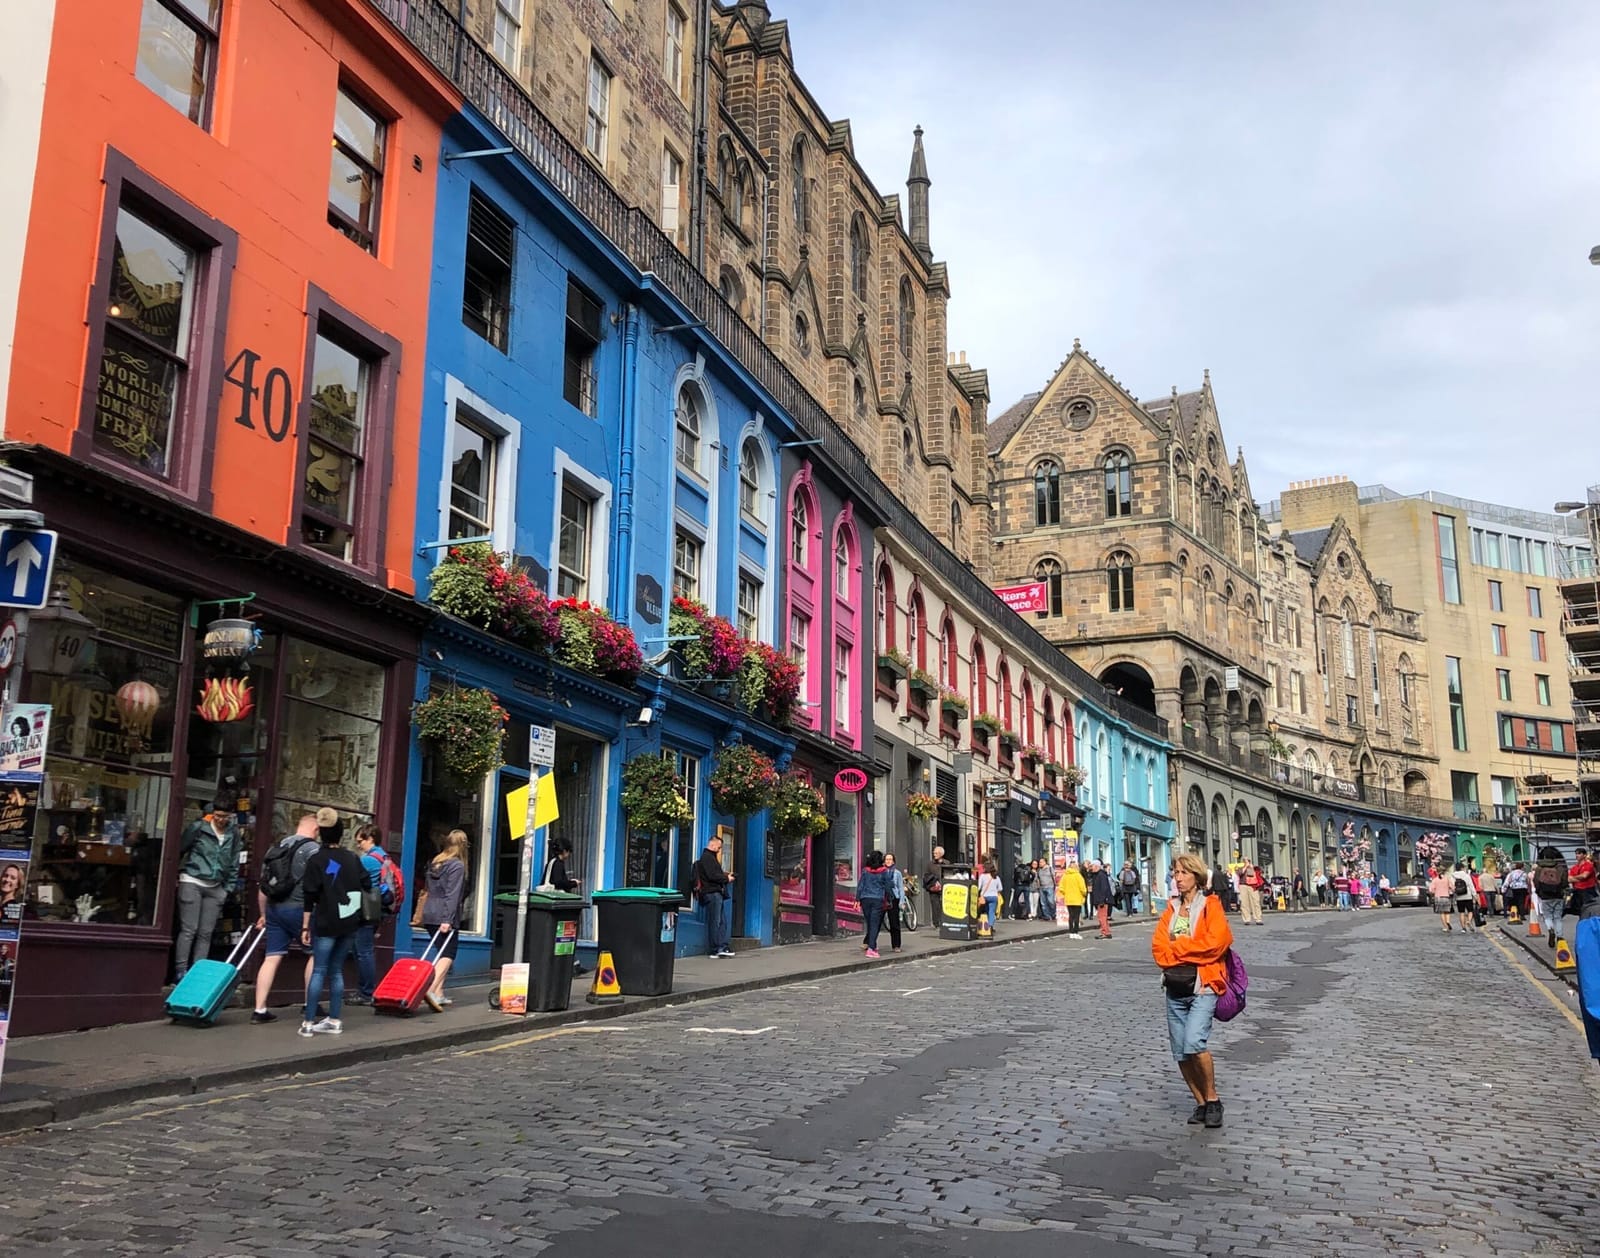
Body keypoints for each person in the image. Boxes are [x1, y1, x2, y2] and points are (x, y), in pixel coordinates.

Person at [1152, 851, 1234, 1130]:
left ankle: (1213, 1099)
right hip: (1175, 987)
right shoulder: (1171, 910)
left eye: (1184, 873)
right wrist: (1189, 949)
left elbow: (1216, 944)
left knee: (1194, 1042)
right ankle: (1200, 1103)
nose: (1178, 878)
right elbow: (1159, 950)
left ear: (1196, 876)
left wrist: (1179, 947)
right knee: (1180, 1051)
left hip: (1204, 985)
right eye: (1176, 872)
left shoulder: (1211, 906)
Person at [298, 809, 369, 1037]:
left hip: (326, 920)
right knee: (337, 971)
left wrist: (305, 926)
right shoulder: (352, 858)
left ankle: (308, 1023)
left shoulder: (316, 860)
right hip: (349, 921)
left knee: (319, 970)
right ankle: (335, 1020)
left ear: (321, 834)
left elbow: (309, 895)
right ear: (340, 834)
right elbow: (367, 884)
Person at [251, 812, 320, 1023]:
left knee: (272, 957)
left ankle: (259, 1010)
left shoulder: (276, 848)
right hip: (300, 909)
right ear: (316, 829)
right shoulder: (313, 850)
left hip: (274, 909)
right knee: (315, 954)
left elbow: (263, 886)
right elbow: (325, 879)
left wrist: (263, 914)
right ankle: (310, 1005)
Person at [173, 798, 242, 983]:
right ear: (212, 813)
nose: (220, 820)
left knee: (206, 933)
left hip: (216, 887)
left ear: (231, 816)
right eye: (217, 815)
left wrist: (227, 888)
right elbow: (179, 850)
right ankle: (181, 971)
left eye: (225, 817)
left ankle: (197, 972)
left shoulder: (233, 833)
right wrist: (176, 875)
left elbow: (234, 861)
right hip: (192, 880)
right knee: (189, 930)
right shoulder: (198, 828)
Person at [411, 828, 469, 1007]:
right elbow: (452, 895)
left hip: (429, 911)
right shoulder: (457, 866)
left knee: (442, 951)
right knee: (448, 953)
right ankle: (430, 988)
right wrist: (447, 919)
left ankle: (439, 993)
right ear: (463, 846)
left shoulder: (436, 863)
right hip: (444, 913)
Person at [350, 823, 400, 1006]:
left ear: (370, 839)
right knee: (364, 949)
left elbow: (351, 880)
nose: (358, 845)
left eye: (360, 841)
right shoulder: (384, 857)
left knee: (363, 951)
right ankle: (365, 990)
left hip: (365, 908)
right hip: (377, 908)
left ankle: (366, 992)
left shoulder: (368, 860)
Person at [694, 834, 735, 959]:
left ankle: (720, 947)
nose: (719, 849)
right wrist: (726, 878)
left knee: (721, 922)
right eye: (718, 846)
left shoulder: (710, 858)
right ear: (712, 844)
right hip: (712, 893)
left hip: (715, 893)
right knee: (716, 922)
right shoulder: (707, 858)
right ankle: (716, 948)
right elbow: (712, 875)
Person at [1532, 846, 1569, 949]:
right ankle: (1560, 936)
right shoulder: (1559, 867)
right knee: (1558, 917)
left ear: (1544, 856)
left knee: (1547, 916)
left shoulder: (1539, 868)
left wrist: (1539, 892)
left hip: (1545, 896)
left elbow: (1536, 881)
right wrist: (1562, 890)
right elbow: (1565, 881)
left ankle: (1550, 929)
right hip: (1558, 895)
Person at [857, 850, 892, 958]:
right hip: (877, 899)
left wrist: (857, 899)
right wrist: (890, 898)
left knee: (869, 923)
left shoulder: (865, 871)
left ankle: (873, 945)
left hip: (865, 899)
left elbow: (860, 886)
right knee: (875, 924)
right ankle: (871, 949)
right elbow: (888, 887)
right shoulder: (884, 871)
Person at [1057, 861, 1087, 938]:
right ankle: (1075, 932)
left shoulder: (1065, 876)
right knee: (1076, 916)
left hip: (1068, 899)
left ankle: (1071, 932)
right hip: (1077, 898)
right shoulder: (1078, 876)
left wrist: (1066, 893)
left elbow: (1061, 888)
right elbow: (1082, 888)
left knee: (1071, 916)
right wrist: (1084, 894)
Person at [883, 852, 906, 952]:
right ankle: (870, 944)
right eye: (886, 859)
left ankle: (896, 945)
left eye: (890, 859)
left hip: (893, 899)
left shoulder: (897, 873)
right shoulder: (881, 872)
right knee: (877, 922)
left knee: (894, 923)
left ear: (893, 861)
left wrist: (902, 901)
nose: (888, 861)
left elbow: (900, 888)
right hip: (883, 898)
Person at [1088, 860, 1116, 939]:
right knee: (1102, 916)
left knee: (1102, 917)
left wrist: (1102, 900)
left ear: (1096, 866)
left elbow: (1104, 889)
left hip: (1102, 900)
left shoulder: (1101, 875)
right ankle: (1106, 931)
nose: (1091, 868)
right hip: (1100, 899)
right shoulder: (1097, 875)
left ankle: (1105, 932)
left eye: (1092, 866)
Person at [1449, 861, 1476, 934]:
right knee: (1470, 911)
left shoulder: (1453, 876)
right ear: (1462, 868)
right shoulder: (1467, 876)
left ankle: (1463, 928)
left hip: (1459, 897)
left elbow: (1452, 887)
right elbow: (1471, 886)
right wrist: (1475, 895)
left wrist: (1453, 894)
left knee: (1461, 912)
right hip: (1468, 896)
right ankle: (1469, 921)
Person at [977, 858, 1001, 932]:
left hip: (984, 897)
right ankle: (990, 926)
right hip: (994, 897)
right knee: (992, 912)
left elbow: (979, 887)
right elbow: (1000, 888)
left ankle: (983, 926)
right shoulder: (996, 877)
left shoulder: (982, 876)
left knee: (983, 911)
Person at [1428, 867, 1455, 933]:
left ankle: (1445, 926)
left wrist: (1435, 892)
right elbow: (1452, 887)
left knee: (1442, 913)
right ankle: (1448, 922)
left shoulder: (1435, 880)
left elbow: (1431, 890)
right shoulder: (1447, 879)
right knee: (1447, 912)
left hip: (1438, 897)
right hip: (1446, 897)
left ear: (1437, 872)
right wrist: (1450, 890)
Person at [1571, 848, 1597, 915]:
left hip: (1588, 891)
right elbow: (1569, 879)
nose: (1577, 855)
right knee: (1579, 912)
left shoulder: (1589, 865)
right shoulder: (1574, 867)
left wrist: (1575, 877)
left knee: (1590, 910)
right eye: (1576, 854)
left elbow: (1584, 876)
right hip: (1577, 891)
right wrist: (1580, 878)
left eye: (1579, 853)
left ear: (1584, 855)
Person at [1036, 858, 1056, 923]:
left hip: (1050, 887)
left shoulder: (1050, 868)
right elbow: (1038, 879)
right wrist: (1039, 886)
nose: (1040, 863)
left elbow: (1054, 877)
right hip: (1042, 888)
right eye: (1039, 862)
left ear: (1045, 862)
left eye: (1041, 862)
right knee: (1043, 903)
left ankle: (1053, 914)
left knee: (1051, 901)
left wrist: (1055, 885)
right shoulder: (1039, 870)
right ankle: (1047, 916)